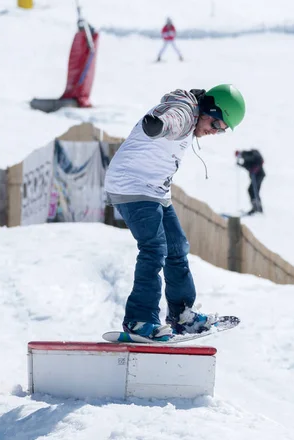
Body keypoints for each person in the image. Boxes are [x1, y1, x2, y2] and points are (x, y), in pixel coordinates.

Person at [104, 84, 246, 341]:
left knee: (177, 247)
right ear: (208, 108)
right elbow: (173, 118)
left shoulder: (193, 117)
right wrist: (158, 125)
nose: (214, 132)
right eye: (215, 124)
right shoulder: (185, 111)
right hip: (132, 185)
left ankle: (182, 315)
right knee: (154, 248)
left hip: (154, 190)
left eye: (221, 131)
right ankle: (140, 320)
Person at [235, 149, 265, 215]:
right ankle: (256, 207)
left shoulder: (250, 153)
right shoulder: (246, 159)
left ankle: (257, 208)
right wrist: (241, 165)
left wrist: (255, 168)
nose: (240, 157)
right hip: (256, 176)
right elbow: (248, 166)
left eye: (239, 156)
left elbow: (259, 161)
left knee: (253, 190)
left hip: (259, 175)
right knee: (252, 190)